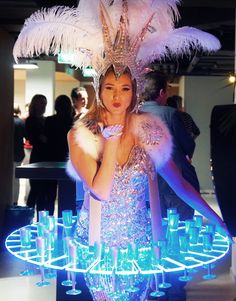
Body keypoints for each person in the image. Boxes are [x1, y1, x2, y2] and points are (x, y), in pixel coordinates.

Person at [13, 1, 227, 300]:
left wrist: (217, 218)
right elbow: (100, 190)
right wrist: (111, 141)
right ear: (99, 90)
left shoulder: (149, 132)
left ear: (134, 92)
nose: (117, 96)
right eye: (110, 88)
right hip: (96, 244)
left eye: (125, 88)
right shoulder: (82, 135)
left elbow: (179, 184)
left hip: (141, 243)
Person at [142, 71, 200, 221]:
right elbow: (188, 145)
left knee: (155, 230)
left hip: (146, 184)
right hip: (175, 182)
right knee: (180, 228)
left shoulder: (134, 115)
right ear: (162, 92)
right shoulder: (170, 114)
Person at [44, 95, 74, 214]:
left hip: (51, 159)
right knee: (67, 194)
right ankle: (66, 221)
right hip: (67, 159)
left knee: (49, 194)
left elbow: (47, 140)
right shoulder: (72, 121)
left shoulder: (49, 120)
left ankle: (48, 221)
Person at [25, 94, 48, 214]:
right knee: (35, 189)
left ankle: (39, 218)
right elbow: (31, 138)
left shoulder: (44, 120)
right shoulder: (31, 120)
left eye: (45, 104)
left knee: (42, 191)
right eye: (41, 103)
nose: (43, 106)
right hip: (37, 157)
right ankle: (28, 217)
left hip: (45, 157)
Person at [13, 104, 26, 204]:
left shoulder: (6, 121)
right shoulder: (21, 122)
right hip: (18, 154)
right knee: (15, 180)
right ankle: (15, 201)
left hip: (7, 154)